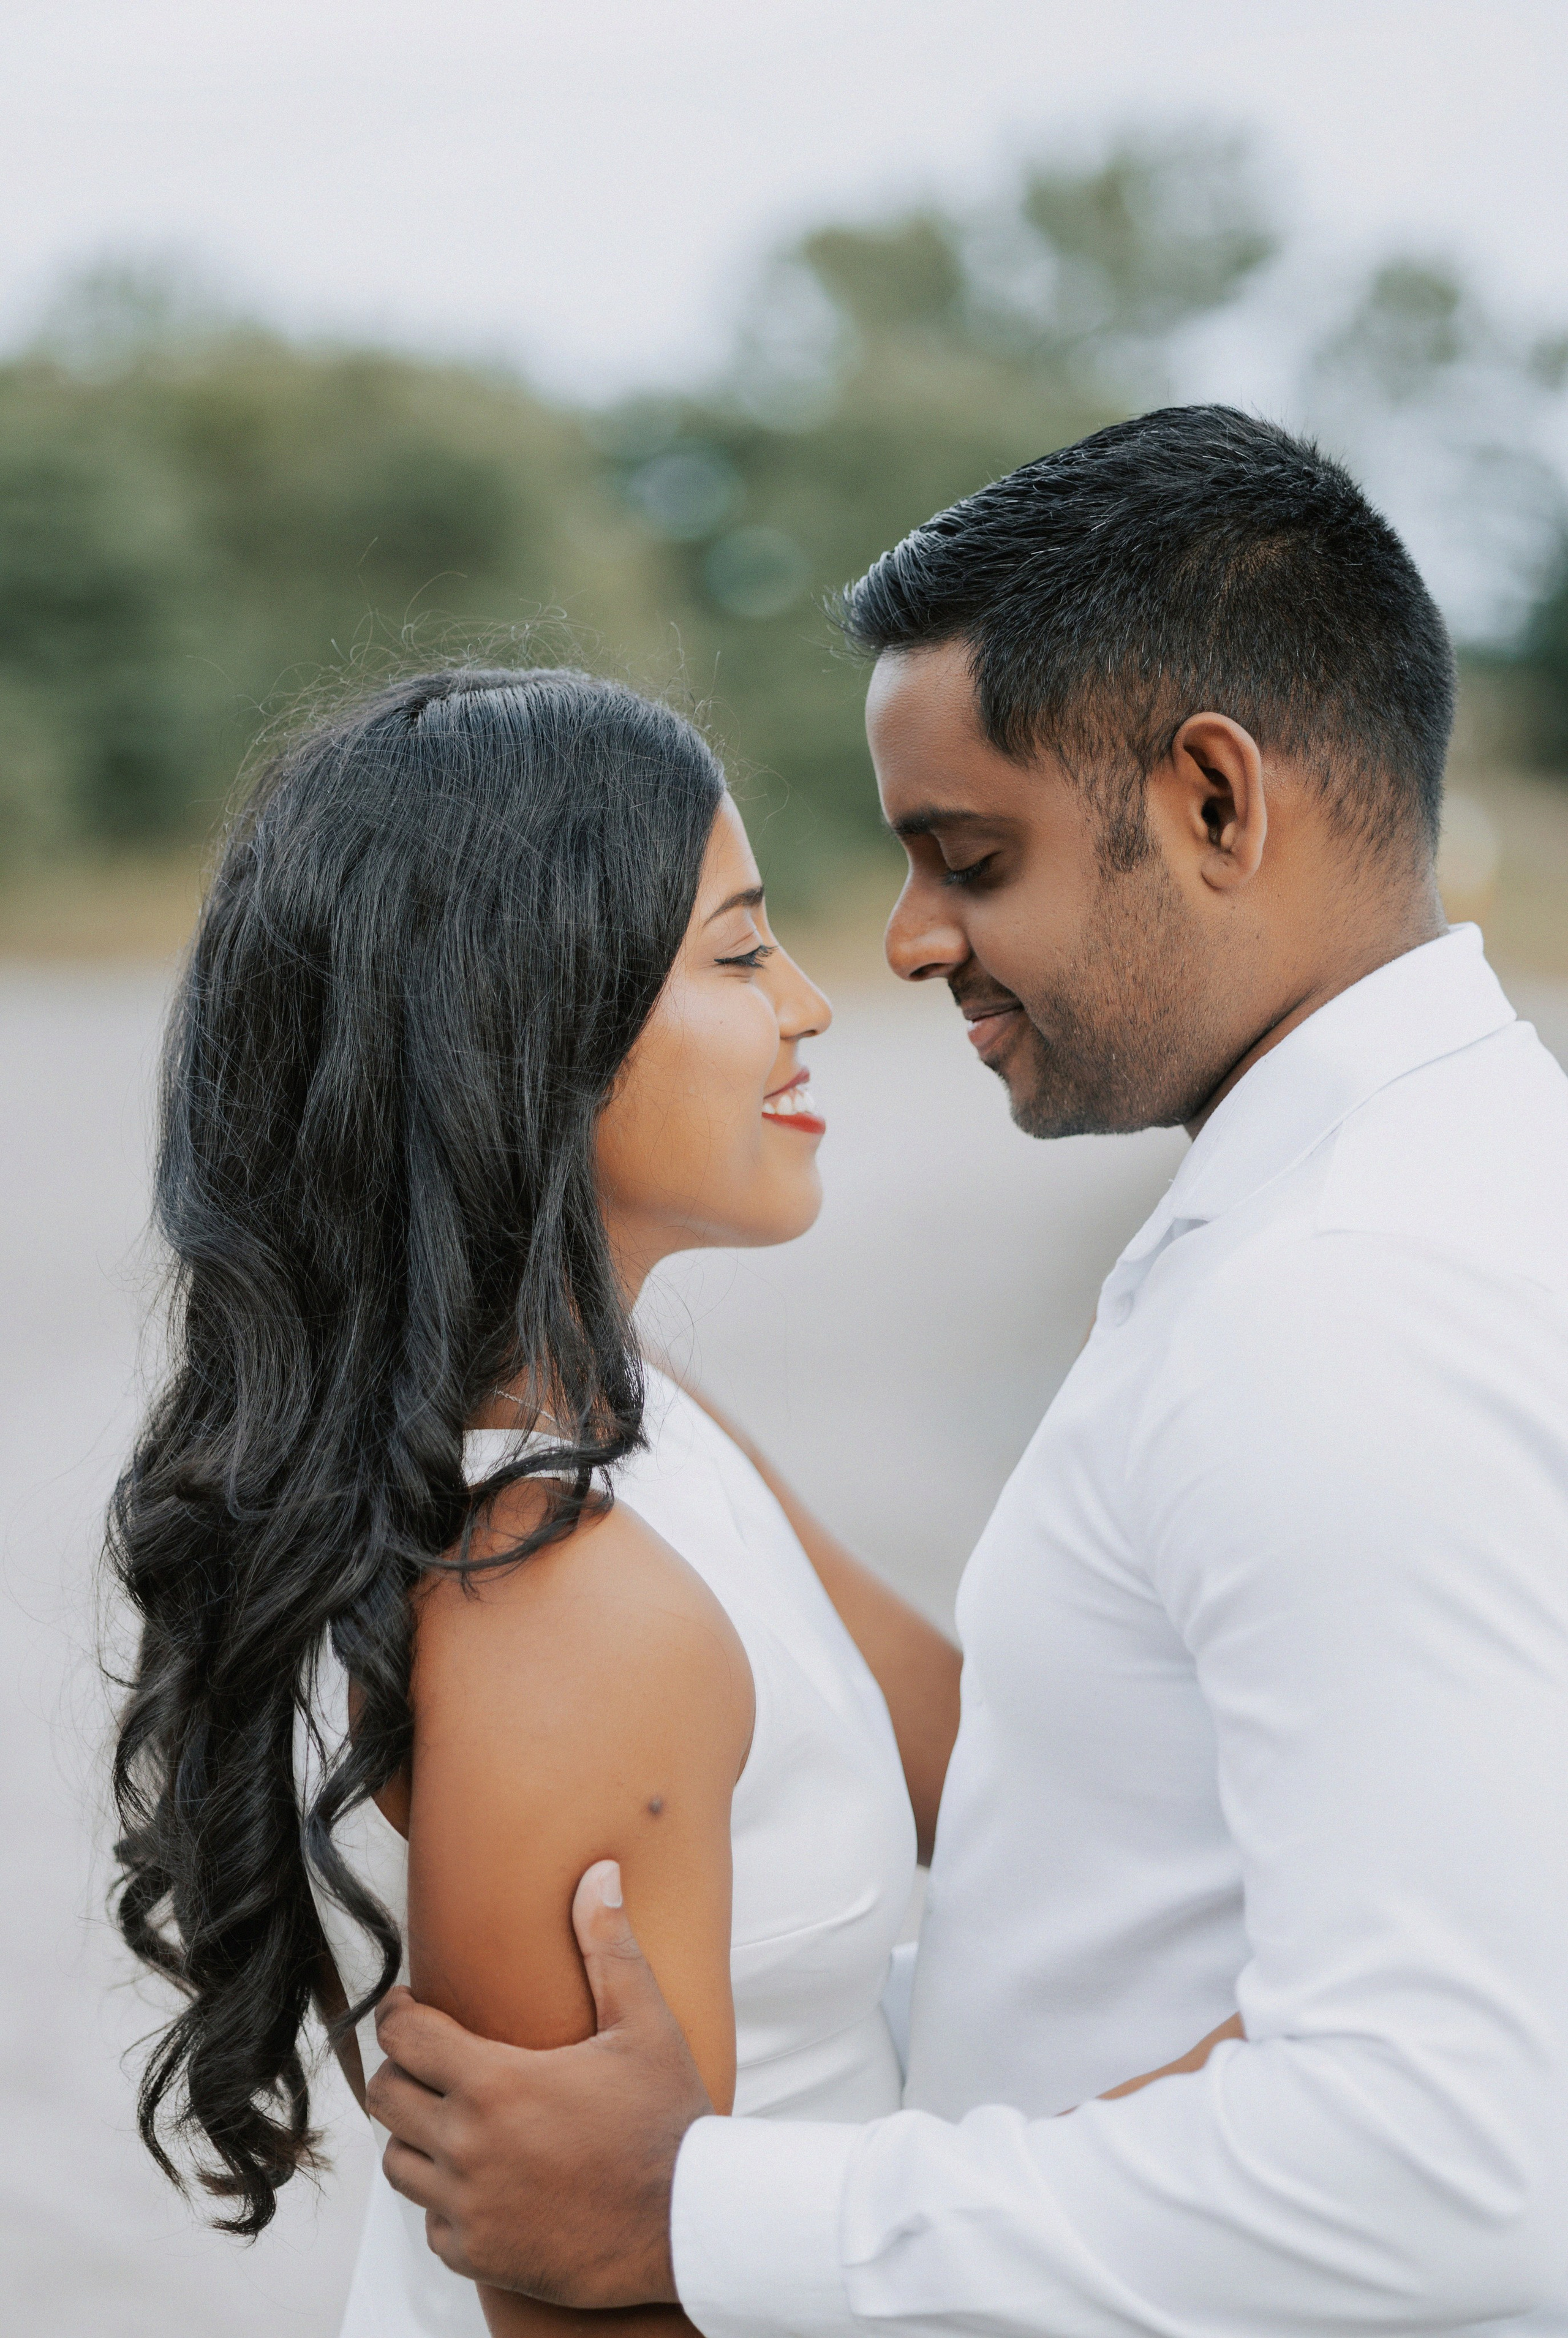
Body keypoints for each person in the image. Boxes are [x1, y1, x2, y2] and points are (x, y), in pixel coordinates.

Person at [366, 409, 1568, 2336]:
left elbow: (1451, 2161)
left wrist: (707, 2212)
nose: (907, 943)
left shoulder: (1350, 1300)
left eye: (972, 857)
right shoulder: (1414, 1193)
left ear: (1214, 804)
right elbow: (1041, 1796)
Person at [109, 667, 980, 2337]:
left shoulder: (640, 1424)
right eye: (737, 952)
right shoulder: (568, 1611)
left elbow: (985, 1759)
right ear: (533, 1034)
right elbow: (591, 2298)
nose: (807, 1000)